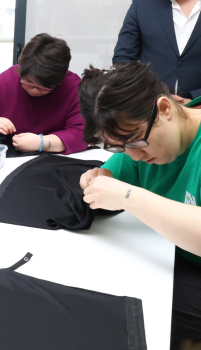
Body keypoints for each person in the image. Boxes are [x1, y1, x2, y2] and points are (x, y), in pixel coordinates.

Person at [78, 61, 201, 350]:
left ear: (165, 109)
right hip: (173, 257)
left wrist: (128, 196)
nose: (133, 156)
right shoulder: (140, 135)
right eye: (120, 147)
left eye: (135, 143)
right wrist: (97, 183)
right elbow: (113, 178)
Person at [0, 33, 87, 154]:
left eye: (43, 88)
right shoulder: (7, 79)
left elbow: (82, 134)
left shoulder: (74, 88)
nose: (34, 90)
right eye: (28, 83)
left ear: (60, 81)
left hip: (52, 159)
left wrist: (41, 143)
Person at [114, 0, 201, 102]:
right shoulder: (142, 5)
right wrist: (149, 95)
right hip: (151, 108)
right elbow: (123, 60)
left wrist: (195, 98)